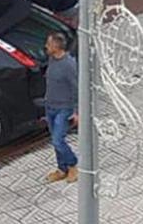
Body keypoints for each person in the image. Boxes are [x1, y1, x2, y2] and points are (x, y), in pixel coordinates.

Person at [43, 31, 79, 183]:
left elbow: (76, 88)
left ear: (56, 47)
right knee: (54, 139)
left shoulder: (69, 65)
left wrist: (76, 111)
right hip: (50, 106)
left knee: (58, 140)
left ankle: (72, 165)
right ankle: (62, 168)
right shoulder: (52, 59)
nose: (46, 46)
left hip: (63, 108)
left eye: (49, 44)